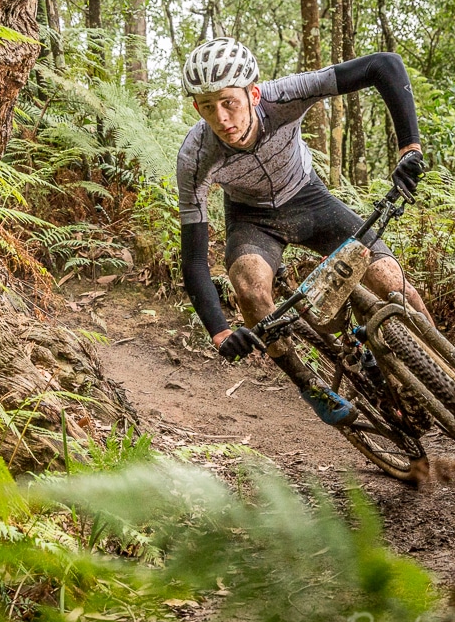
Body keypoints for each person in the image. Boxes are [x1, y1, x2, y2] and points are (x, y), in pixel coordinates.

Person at [176, 36, 430, 426]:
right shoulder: (195, 156)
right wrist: (222, 334)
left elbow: (385, 65)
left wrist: (409, 149)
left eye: (230, 102)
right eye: (208, 108)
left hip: (309, 199)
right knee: (249, 287)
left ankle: (438, 368)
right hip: (251, 221)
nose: (223, 119)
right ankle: (310, 386)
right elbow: (193, 259)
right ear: (197, 108)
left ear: (254, 93)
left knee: (393, 282)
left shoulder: (284, 97)